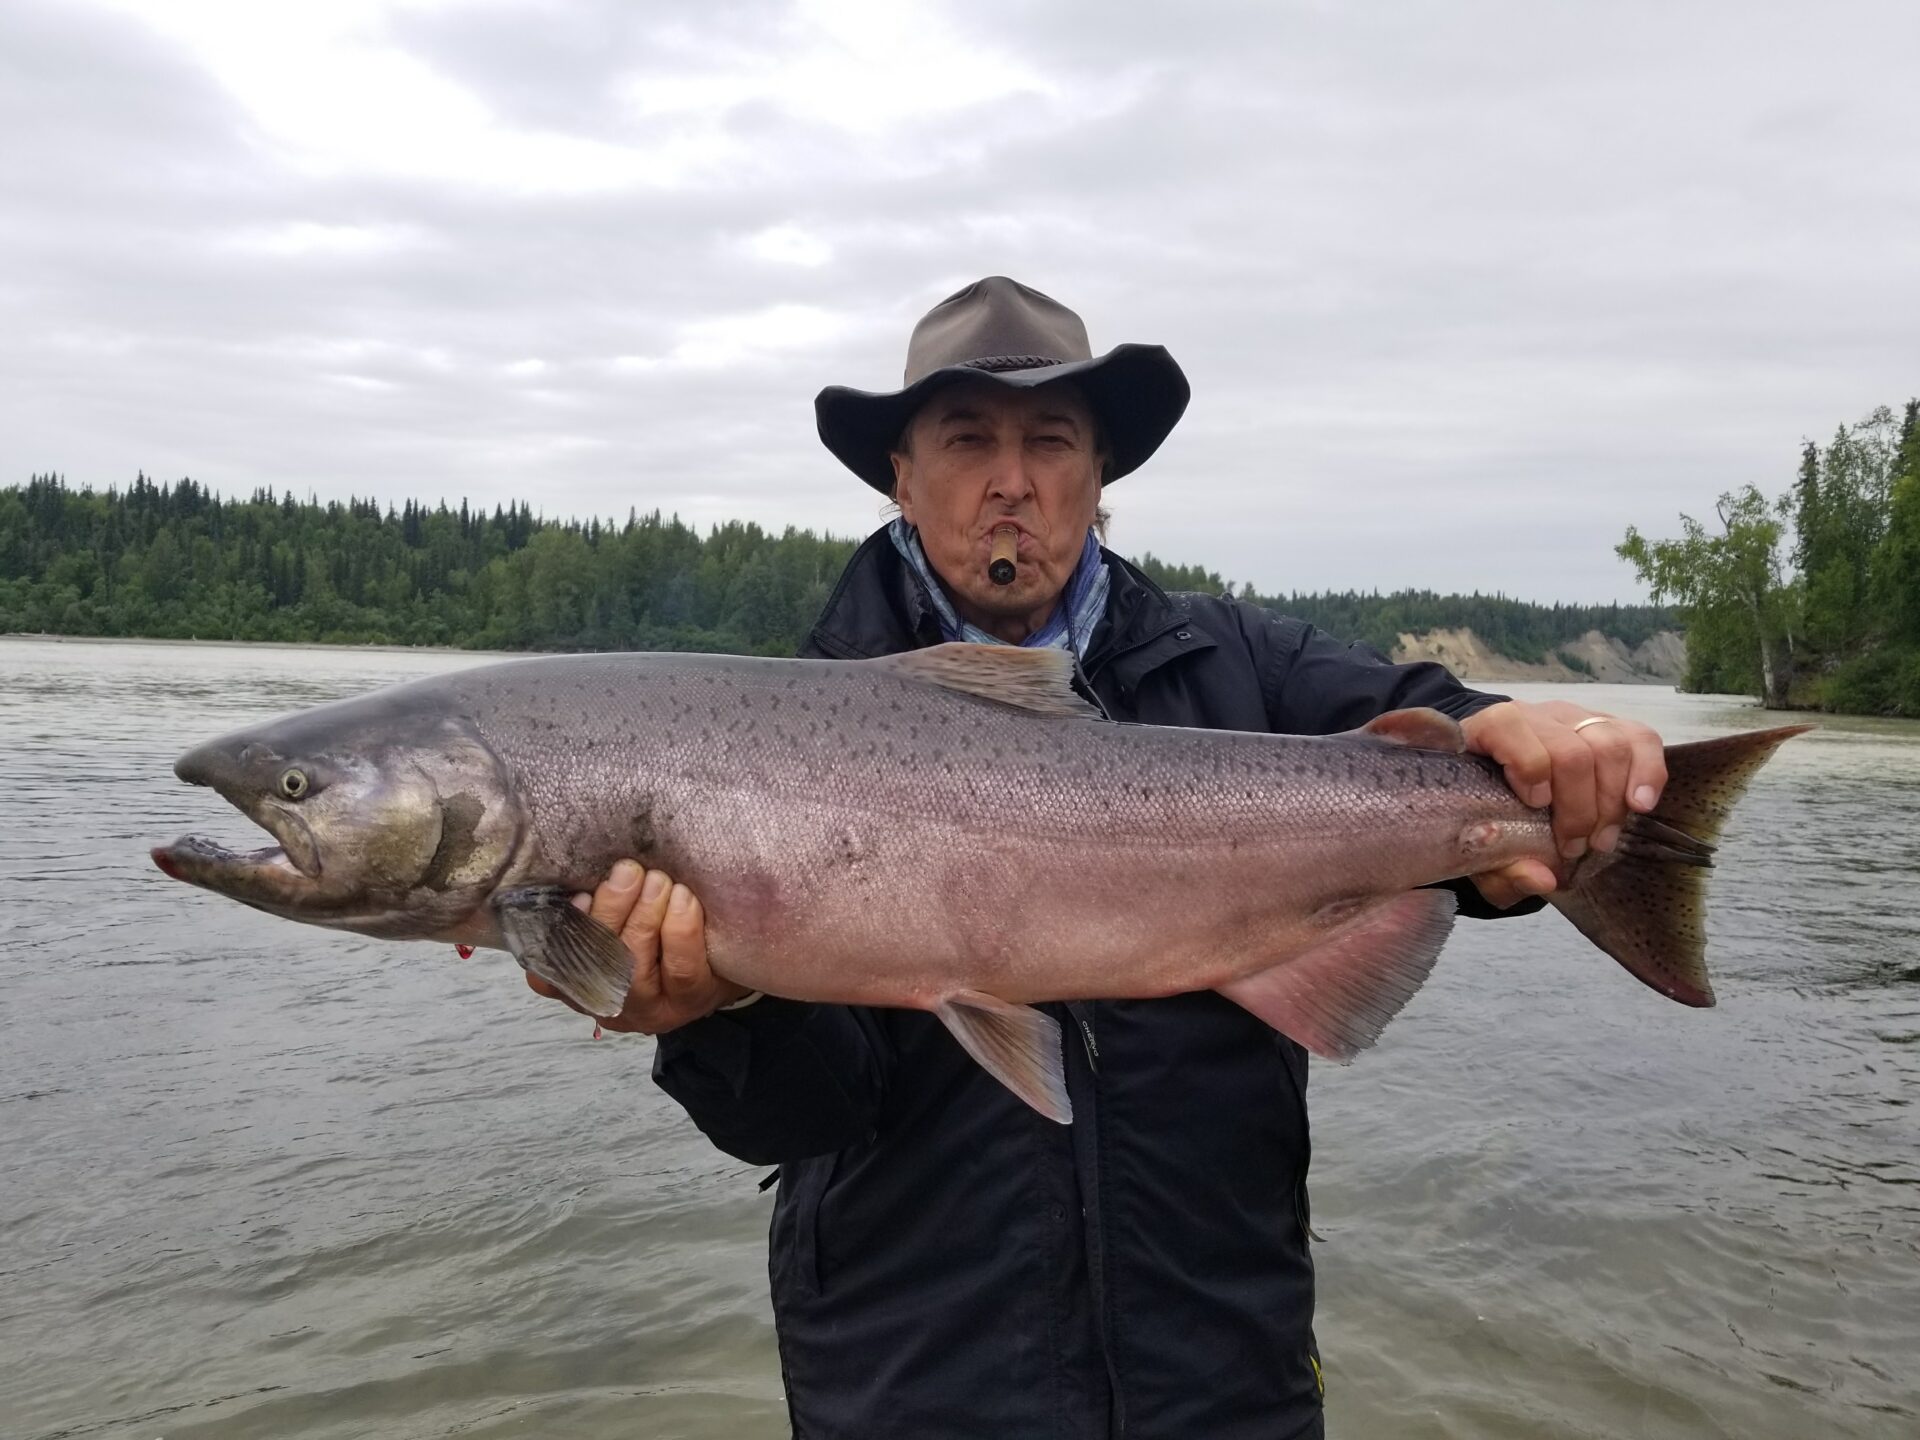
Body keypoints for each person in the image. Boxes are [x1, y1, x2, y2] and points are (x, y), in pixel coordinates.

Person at [527, 277, 1668, 1439]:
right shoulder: (773, 744)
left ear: (1101, 473)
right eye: (967, 440)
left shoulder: (1247, 667)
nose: (1009, 479)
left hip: (1223, 1377)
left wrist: (1551, 756)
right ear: (901, 479)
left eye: (1050, 441)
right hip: (912, 1385)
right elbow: (802, 1120)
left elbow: (1453, 741)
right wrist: (715, 1016)